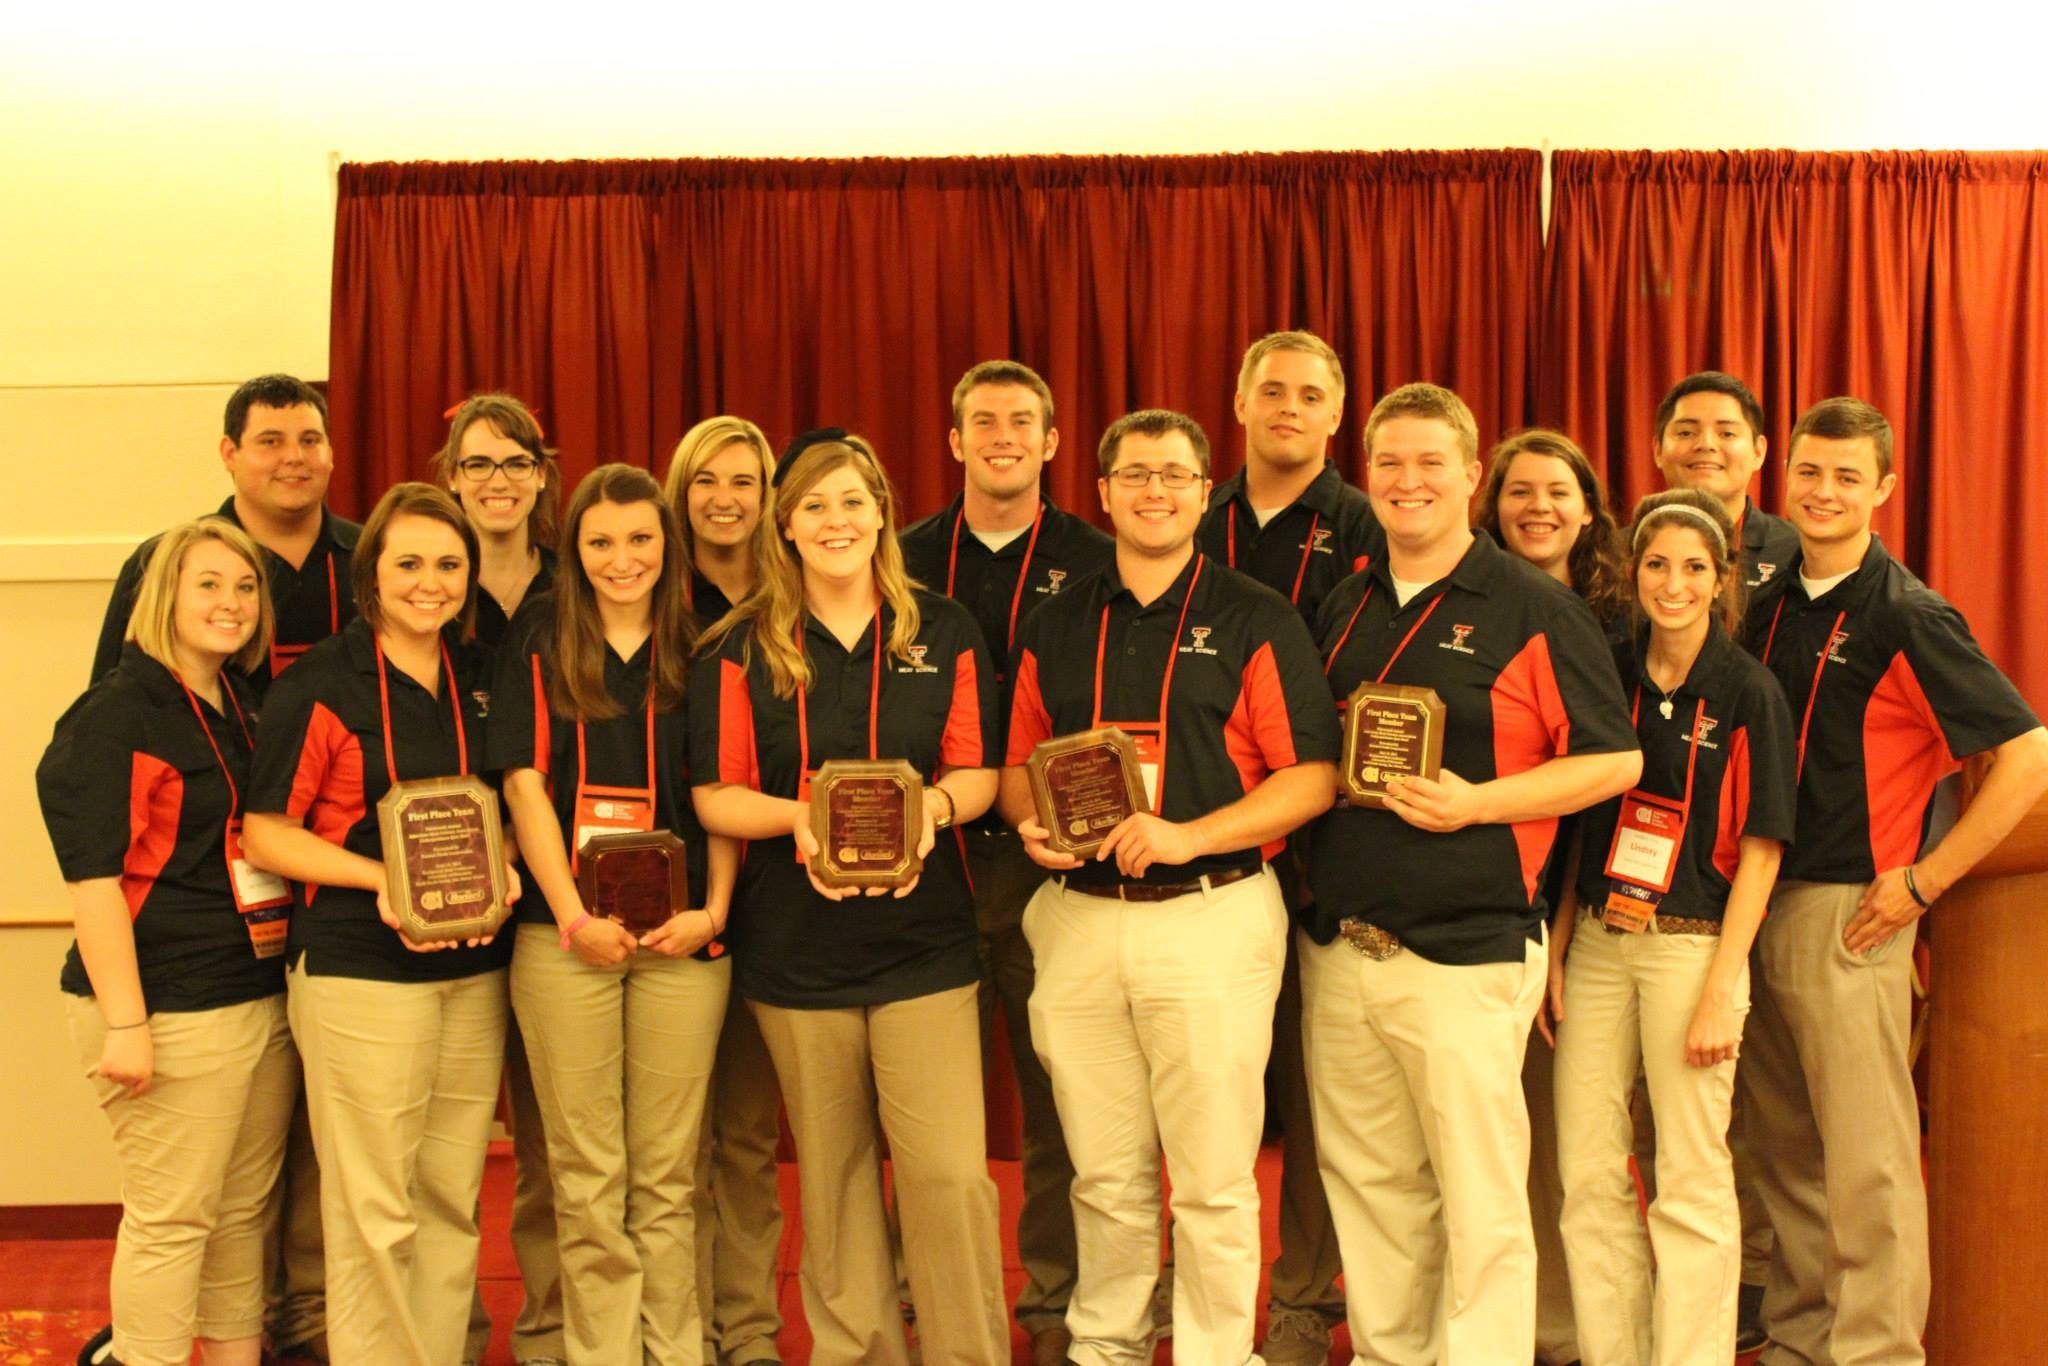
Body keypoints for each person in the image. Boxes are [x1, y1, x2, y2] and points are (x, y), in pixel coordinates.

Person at [1301, 383, 1639, 1363]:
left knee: (1479, 1192)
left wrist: (1476, 803)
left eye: (1427, 462)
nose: (1408, 481)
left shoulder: (1534, 606)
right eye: (1389, 463)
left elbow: (1611, 760)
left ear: (1469, 473)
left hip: (1468, 949)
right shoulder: (1346, 599)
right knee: (1370, 1183)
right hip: (1343, 943)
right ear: (1368, 477)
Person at [999, 408, 1339, 1365]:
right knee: (1103, 1172)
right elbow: (1019, 762)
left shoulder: (1254, 615)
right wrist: (1032, 822)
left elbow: (1310, 777)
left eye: (1176, 475)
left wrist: (1188, 835)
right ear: (1100, 493)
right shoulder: (1054, 622)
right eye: (1135, 475)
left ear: (1204, 492)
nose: (1155, 492)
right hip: (1076, 921)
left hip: (1213, 918)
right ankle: (1104, 1345)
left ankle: (1212, 1353)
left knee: (1214, 1177)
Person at [1738, 398, 2048, 1366]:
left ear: (1880, 489)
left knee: (1865, 1160)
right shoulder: (1764, 595)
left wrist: (1922, 882)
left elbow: (2028, 755)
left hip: (1847, 913)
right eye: (1806, 472)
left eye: (1843, 476)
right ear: (1778, 478)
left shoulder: (1905, 613)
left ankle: (1875, 1353)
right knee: (1779, 1150)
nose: (1821, 491)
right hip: (1749, 900)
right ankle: (1797, 1340)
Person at [688, 430, 1008, 1365]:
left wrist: (932, 812)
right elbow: (717, 793)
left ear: (881, 514)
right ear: (786, 524)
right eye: (815, 505)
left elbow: (977, 770)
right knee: (832, 1183)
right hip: (795, 953)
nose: (836, 521)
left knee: (949, 1176)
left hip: (925, 946)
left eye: (853, 502)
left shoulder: (942, 629)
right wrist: (803, 821)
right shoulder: (740, 645)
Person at [86, 373, 354, 1366]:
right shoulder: (135, 668)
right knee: (180, 1205)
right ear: (229, 452)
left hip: (295, 943)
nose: (293, 455)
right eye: (270, 437)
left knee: (260, 1198)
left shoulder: (356, 569)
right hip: (176, 971)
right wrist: (123, 1015)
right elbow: (103, 842)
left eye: (311, 437)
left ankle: (280, 1344)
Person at [243, 483, 518, 1366]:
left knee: (448, 1196)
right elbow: (267, 833)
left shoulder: (480, 677)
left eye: (448, 564)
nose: (429, 582)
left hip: (473, 974)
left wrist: (505, 861)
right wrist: (383, 878)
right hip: (360, 972)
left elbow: (509, 801)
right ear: (371, 576)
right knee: (374, 1208)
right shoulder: (320, 685)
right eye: (408, 563)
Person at [491, 462, 734, 1362]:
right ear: (576, 549)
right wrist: (570, 918)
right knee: (588, 1177)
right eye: (599, 542)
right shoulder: (536, 638)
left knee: (668, 1177)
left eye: (639, 539)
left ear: (667, 544)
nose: (621, 559)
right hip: (565, 941)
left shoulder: (708, 638)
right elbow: (522, 786)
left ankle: (674, 1351)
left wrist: (711, 914)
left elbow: (727, 792)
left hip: (685, 941)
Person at [40, 519, 298, 1366]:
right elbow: (93, 880)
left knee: (239, 1218)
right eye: (209, 584)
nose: (231, 603)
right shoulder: (117, 711)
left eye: (246, 586)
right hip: (165, 1007)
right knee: (173, 1221)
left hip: (255, 993)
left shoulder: (244, 703)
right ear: (164, 597)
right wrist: (126, 1023)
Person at [1551, 489, 1796, 1365]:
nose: (1674, 582)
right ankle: (1615, 1350)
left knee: (1690, 1175)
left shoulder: (1748, 691)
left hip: (1694, 946)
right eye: (1657, 564)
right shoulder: (1606, 668)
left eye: (1695, 567)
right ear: (1631, 572)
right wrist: (1565, 944)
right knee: (1585, 1168)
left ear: (1723, 579)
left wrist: (1723, 988)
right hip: (1601, 945)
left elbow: (1763, 850)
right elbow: (1580, 823)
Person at [901, 359, 1110, 1366]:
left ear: (1052, 442)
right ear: (953, 441)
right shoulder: (900, 557)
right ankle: (920, 1285)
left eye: (1021, 421)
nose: (1000, 435)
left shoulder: (1098, 557)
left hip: (1044, 861)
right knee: (916, 1099)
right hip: (924, 856)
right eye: (980, 419)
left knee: (1053, 1094)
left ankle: (1056, 1300)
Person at [1193, 331, 1380, 1365]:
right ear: (1237, 399)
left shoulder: (1365, 525)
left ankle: (1304, 1293)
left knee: (1313, 1086)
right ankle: (1201, 1268)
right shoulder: (1191, 511)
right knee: (1202, 1073)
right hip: (1197, 842)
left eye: (1310, 394)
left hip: (1328, 832)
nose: (1288, 408)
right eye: (1270, 389)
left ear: (1334, 413)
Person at [1478, 426, 1631, 1366]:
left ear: (1588, 508)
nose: (1537, 507)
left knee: (1588, 1141)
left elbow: (1605, 785)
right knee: (1513, 1130)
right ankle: (1524, 1328)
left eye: (1557, 491)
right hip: (1502, 899)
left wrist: (1568, 930)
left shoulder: (1624, 622)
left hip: (1597, 896)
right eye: (1518, 491)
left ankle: (1589, 1330)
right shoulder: (1474, 608)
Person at [434, 393, 566, 1366]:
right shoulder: (426, 589)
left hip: (558, 893)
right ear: (450, 477)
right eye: (477, 463)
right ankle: (448, 1332)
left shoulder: (580, 587)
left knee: (554, 1142)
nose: (496, 481)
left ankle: (556, 1327)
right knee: (440, 1145)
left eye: (514, 462)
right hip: (443, 897)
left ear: (540, 475)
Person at [663, 415, 789, 1366]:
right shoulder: (650, 591)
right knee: (665, 1149)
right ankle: (671, 1327)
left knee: (743, 1135)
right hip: (663, 898)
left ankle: (744, 1327)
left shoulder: (796, 599)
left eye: (744, 480)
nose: (725, 498)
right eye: (706, 480)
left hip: (774, 900)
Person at [1651, 371, 1800, 592]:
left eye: (1727, 433)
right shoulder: (1617, 552)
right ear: (1658, 450)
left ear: (1758, 452)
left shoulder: (1797, 552)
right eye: (1685, 433)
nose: (1706, 444)